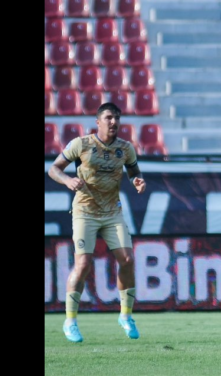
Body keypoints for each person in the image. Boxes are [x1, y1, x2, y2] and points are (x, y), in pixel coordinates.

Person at [47, 102, 146, 343]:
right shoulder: (81, 144)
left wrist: (137, 181)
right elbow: (54, 169)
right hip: (85, 212)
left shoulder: (125, 148)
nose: (114, 122)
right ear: (98, 121)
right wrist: (68, 181)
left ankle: (126, 315)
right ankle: (70, 321)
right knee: (83, 264)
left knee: (127, 259)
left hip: (113, 212)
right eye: (109, 118)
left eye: (117, 118)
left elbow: (134, 171)